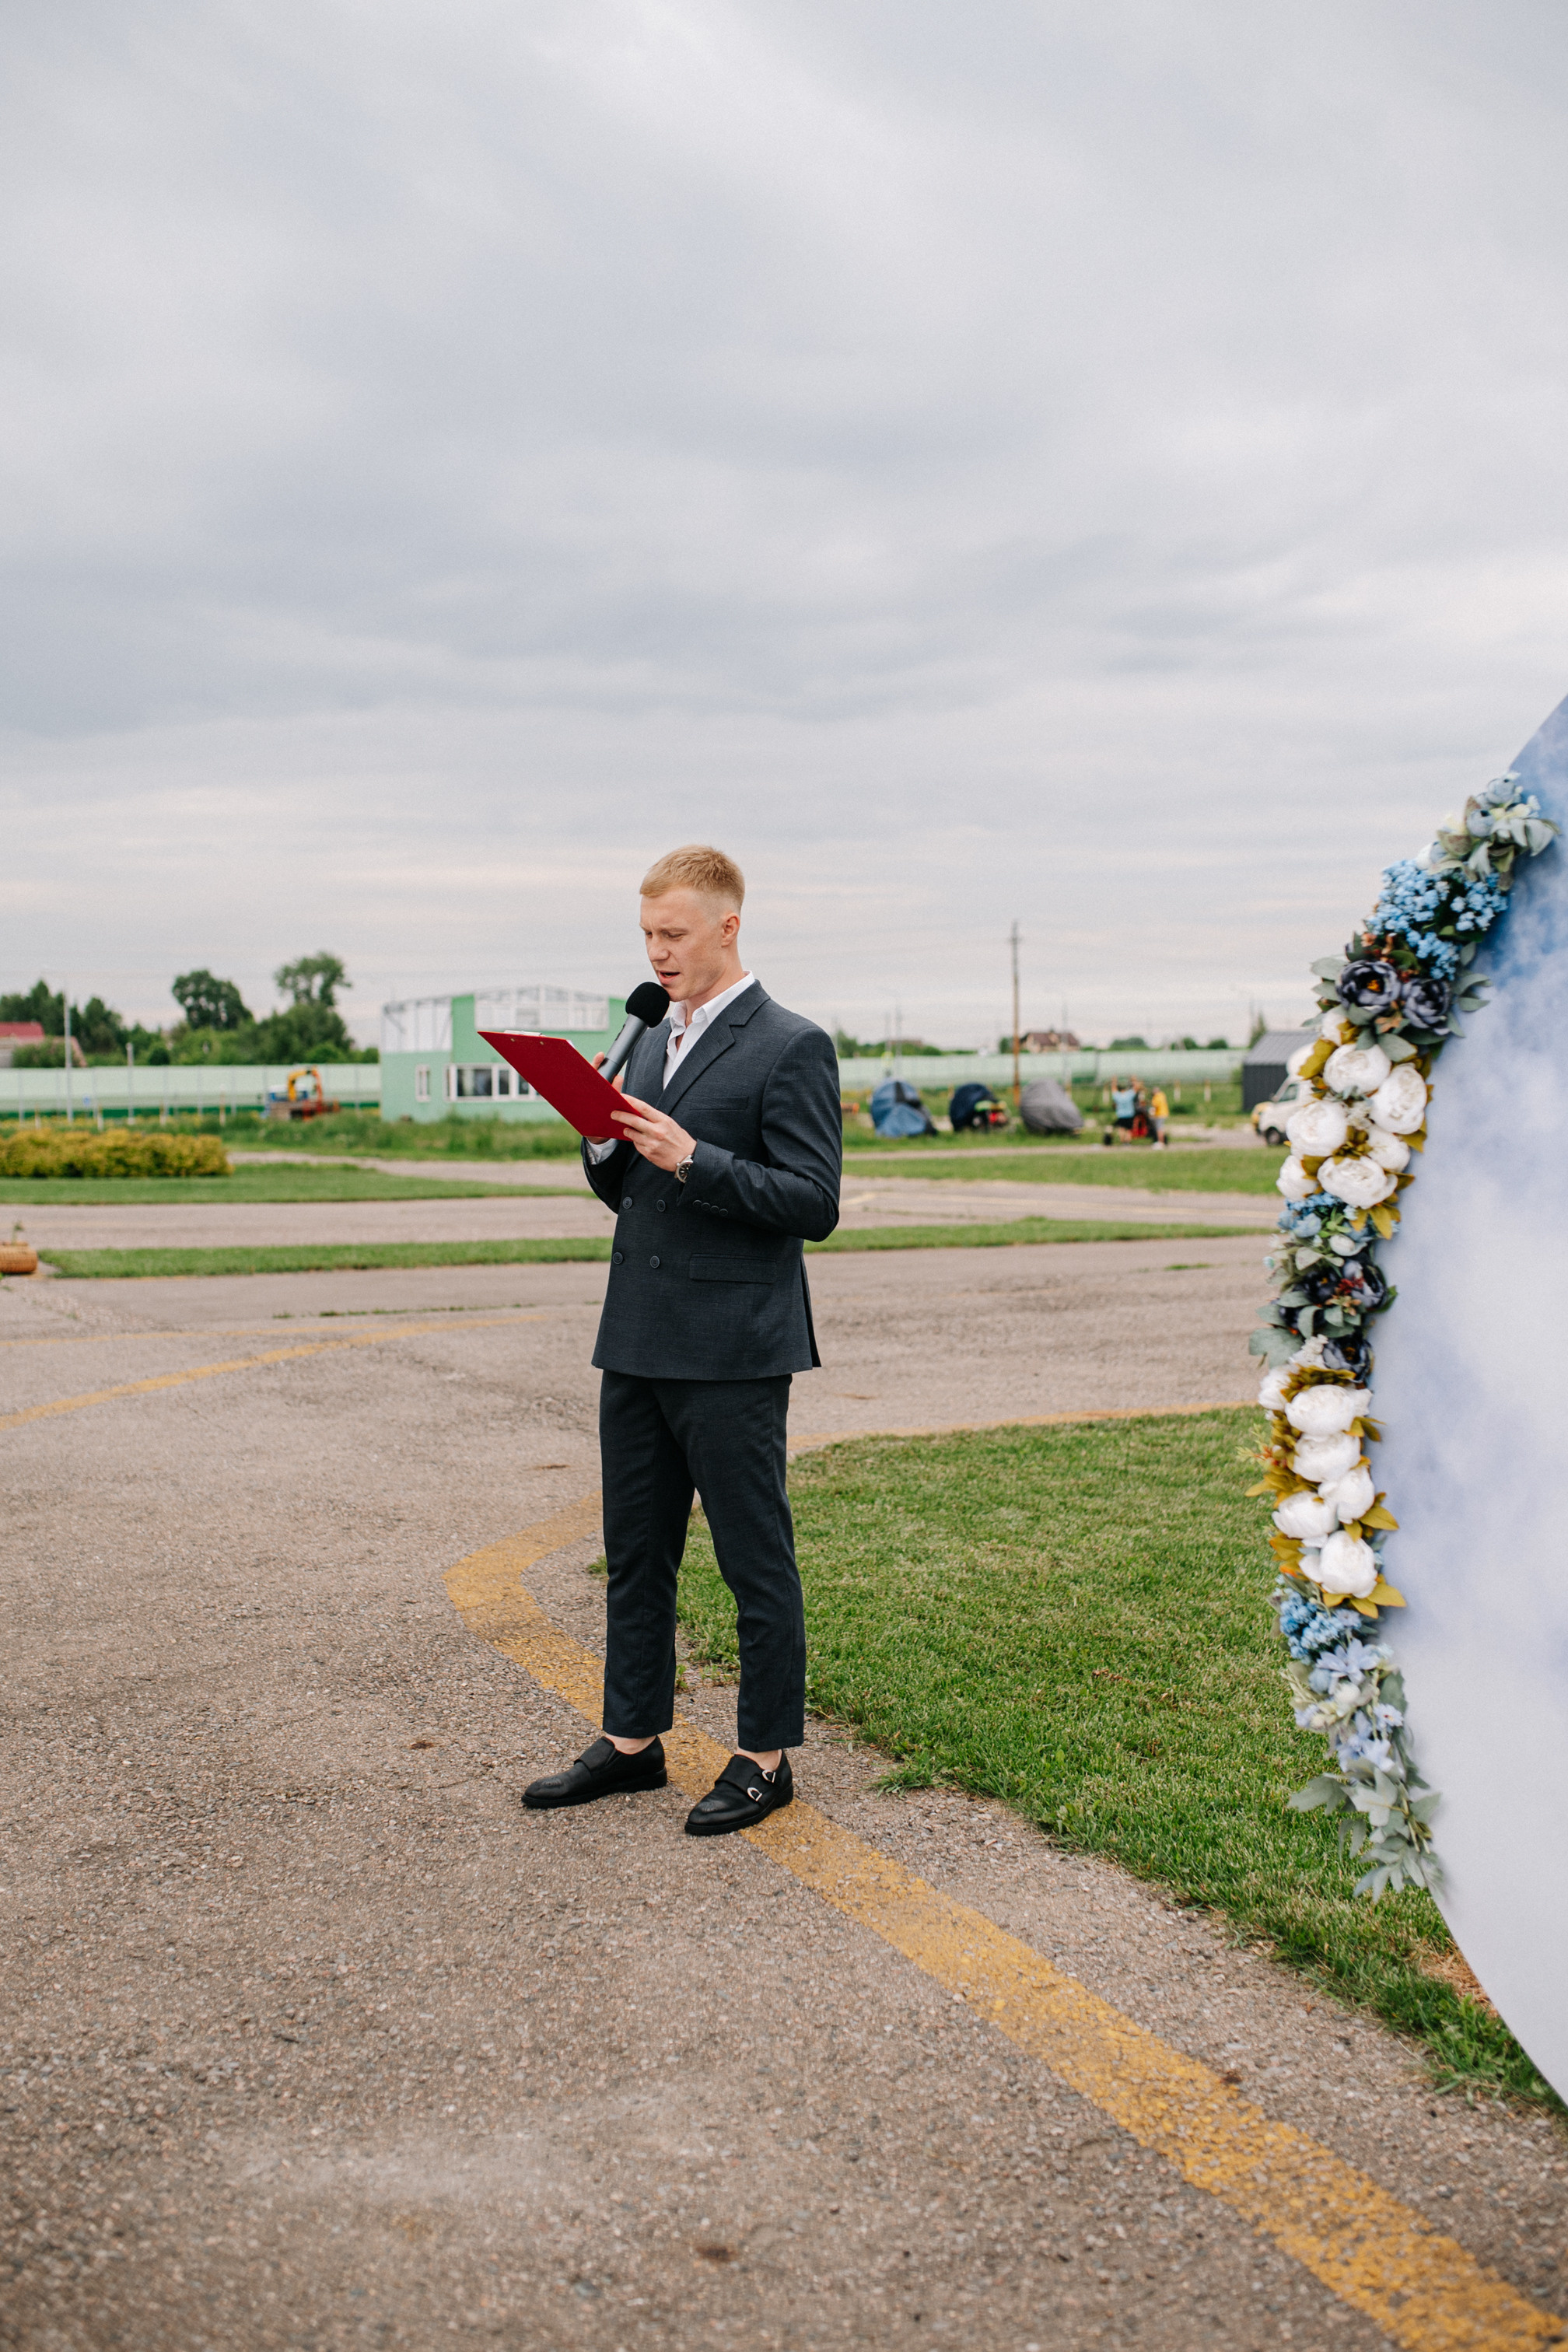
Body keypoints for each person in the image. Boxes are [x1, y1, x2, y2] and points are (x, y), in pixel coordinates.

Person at [522, 845, 842, 1836]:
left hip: (736, 1344)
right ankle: (632, 1742)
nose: (657, 953)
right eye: (647, 935)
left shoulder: (790, 1043)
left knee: (755, 1561)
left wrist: (696, 1157)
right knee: (636, 1554)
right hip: (639, 1337)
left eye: (674, 934)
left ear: (727, 927)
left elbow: (814, 1202)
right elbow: (630, 1193)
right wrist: (601, 1144)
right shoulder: (650, 1041)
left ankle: (765, 1756)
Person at [1149, 1085, 1170, 1149]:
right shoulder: (1162, 1095)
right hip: (1164, 1114)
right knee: (1160, 1128)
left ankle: (1161, 1142)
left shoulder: (1157, 1097)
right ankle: (1161, 1142)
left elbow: (1155, 1106)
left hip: (1160, 1114)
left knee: (1159, 1129)